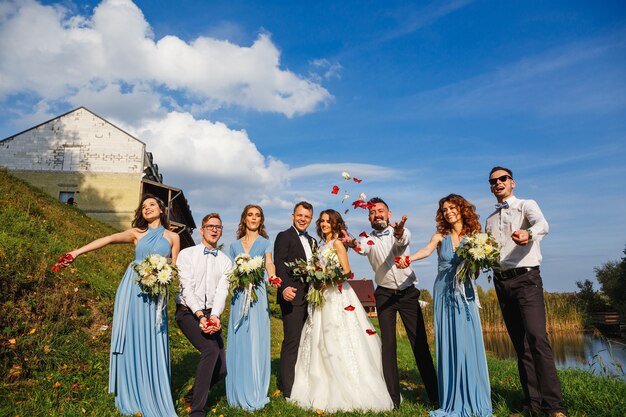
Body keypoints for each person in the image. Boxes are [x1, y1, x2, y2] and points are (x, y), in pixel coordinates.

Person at [59, 194, 180, 417]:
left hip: (156, 295)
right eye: (143, 206)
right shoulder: (136, 233)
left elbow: (175, 266)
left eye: (151, 205)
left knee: (155, 335)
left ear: (162, 210)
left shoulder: (173, 236)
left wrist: (162, 272)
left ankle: (154, 390)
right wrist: (76, 252)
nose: (147, 208)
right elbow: (108, 239)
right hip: (133, 290)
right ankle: (131, 388)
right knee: (133, 336)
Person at [396, 194, 493, 417]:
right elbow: (426, 250)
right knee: (449, 340)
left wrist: (476, 263)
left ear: (462, 209)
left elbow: (477, 272)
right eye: (445, 209)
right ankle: (452, 399)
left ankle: (474, 395)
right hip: (444, 291)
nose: (448, 212)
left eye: (452, 207)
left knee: (468, 340)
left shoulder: (476, 237)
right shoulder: (440, 236)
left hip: (465, 291)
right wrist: (408, 259)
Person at [289, 209, 394, 412]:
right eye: (322, 221)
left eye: (329, 221)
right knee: (318, 339)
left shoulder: (337, 243)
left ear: (336, 224)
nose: (324, 224)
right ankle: (317, 382)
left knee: (337, 336)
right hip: (321, 297)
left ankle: (348, 387)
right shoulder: (321, 246)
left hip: (336, 295)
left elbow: (346, 271)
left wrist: (326, 279)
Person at [486, 167, 566, 417]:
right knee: (520, 344)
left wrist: (528, 233)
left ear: (512, 183)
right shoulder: (489, 220)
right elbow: (489, 250)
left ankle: (554, 406)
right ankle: (533, 404)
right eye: (493, 181)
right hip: (502, 282)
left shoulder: (525, 205)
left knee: (537, 339)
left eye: (503, 179)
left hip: (526, 279)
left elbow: (543, 224)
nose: (498, 183)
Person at [344, 197, 438, 408]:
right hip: (384, 295)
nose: (376, 214)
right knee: (388, 346)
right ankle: (393, 400)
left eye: (380, 211)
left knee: (419, 344)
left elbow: (402, 240)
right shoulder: (368, 239)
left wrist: (398, 232)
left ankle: (435, 396)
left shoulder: (403, 232)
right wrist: (352, 243)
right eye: (372, 212)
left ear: (388, 214)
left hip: (408, 293)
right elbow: (361, 248)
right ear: (369, 217)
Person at [175, 213, 230, 417]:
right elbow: (186, 289)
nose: (215, 230)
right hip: (188, 312)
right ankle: (197, 410)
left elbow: (221, 291)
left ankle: (192, 396)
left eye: (218, 227)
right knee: (210, 350)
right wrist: (200, 317)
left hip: (210, 314)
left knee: (222, 368)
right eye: (210, 226)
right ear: (202, 230)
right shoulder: (187, 254)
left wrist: (215, 316)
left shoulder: (225, 261)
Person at [225, 204, 279, 411]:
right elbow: (231, 270)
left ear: (261, 220)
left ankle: (255, 387)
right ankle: (238, 386)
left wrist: (272, 276)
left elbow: (269, 263)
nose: (254, 218)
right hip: (239, 294)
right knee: (240, 338)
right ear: (244, 219)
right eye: (250, 215)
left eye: (257, 215)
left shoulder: (265, 243)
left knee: (256, 338)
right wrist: (236, 279)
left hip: (258, 295)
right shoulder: (234, 245)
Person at [274, 201, 317, 398]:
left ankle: (303, 382)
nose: (302, 219)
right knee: (292, 341)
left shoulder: (313, 241)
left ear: (311, 219)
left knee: (307, 341)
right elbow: (279, 264)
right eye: (299, 215)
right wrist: (283, 288)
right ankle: (287, 390)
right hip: (292, 297)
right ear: (293, 215)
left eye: (306, 217)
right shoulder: (284, 236)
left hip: (312, 298)